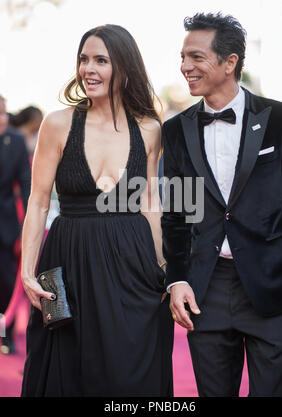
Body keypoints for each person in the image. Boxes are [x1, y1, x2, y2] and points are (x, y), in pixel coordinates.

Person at [21, 24, 173, 397]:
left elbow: (150, 204)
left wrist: (164, 269)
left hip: (132, 262)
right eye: (83, 59)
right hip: (70, 258)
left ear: (124, 68)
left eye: (101, 60)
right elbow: (39, 200)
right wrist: (27, 271)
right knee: (68, 370)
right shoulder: (58, 124)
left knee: (130, 369)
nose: (88, 68)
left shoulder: (149, 129)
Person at [161, 12, 282, 397]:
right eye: (183, 56)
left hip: (272, 284)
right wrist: (177, 278)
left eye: (196, 57)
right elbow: (174, 214)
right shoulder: (176, 130)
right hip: (206, 288)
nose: (185, 66)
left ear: (230, 62)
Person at [0, 95, 31, 354]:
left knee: (6, 282)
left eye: (3, 113)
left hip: (6, 226)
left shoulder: (16, 142)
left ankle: (5, 335)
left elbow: (27, 186)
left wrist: (27, 229)